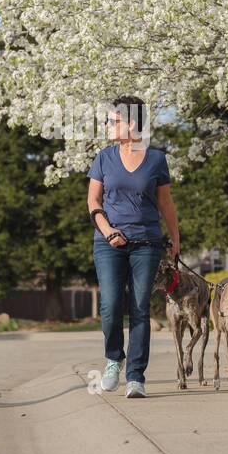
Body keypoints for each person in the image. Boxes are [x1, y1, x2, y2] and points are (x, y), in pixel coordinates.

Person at [86, 96, 181, 398]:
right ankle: (114, 358)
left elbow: (166, 203)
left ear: (130, 124)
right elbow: (93, 201)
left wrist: (175, 239)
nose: (107, 126)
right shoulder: (104, 157)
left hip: (147, 244)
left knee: (139, 308)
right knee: (111, 306)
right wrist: (108, 230)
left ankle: (136, 376)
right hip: (108, 243)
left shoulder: (156, 159)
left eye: (112, 121)